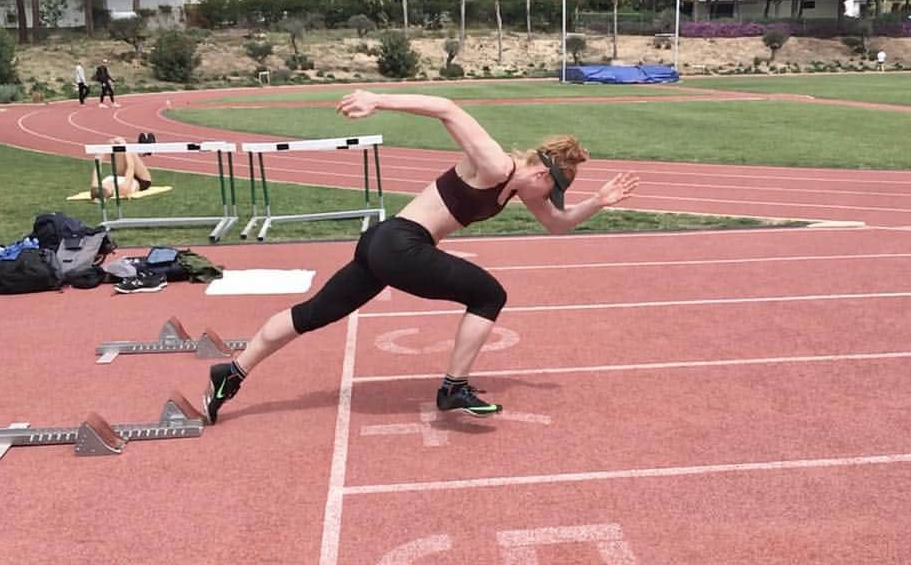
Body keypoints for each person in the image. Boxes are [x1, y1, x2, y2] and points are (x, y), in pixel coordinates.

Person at [201, 90, 641, 424]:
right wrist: (377, 100)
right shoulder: (494, 165)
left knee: (313, 313)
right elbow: (447, 107)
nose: (553, 198)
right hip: (400, 245)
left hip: (381, 244)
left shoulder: (518, 187)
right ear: (543, 174)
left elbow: (557, 223)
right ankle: (454, 387)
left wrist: (599, 202)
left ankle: (231, 372)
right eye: (555, 190)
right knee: (489, 294)